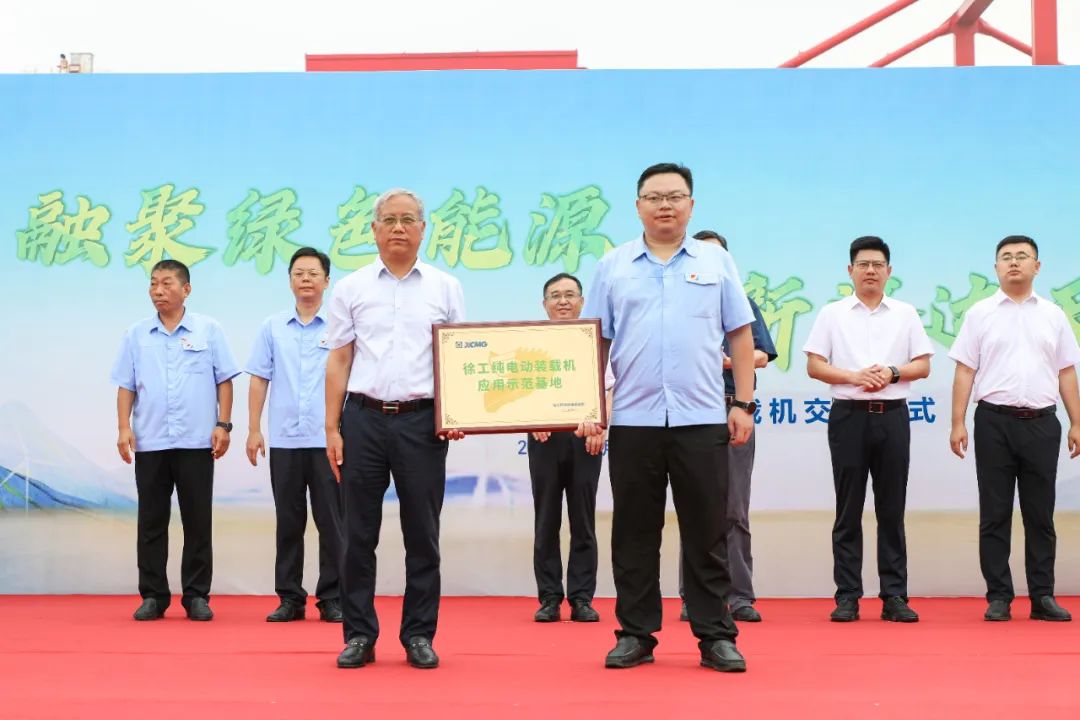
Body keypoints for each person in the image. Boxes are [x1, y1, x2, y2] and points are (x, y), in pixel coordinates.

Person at [583, 162, 756, 673]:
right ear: (638, 206)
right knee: (634, 532)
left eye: (675, 196)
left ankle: (715, 635)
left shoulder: (716, 261)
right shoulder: (613, 265)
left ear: (691, 205)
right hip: (633, 419)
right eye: (654, 197)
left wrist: (742, 404)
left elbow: (739, 333)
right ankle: (636, 634)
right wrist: (590, 406)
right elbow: (593, 341)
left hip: (700, 416)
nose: (665, 205)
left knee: (707, 531)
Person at [326, 188, 466, 670]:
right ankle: (359, 634)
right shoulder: (351, 287)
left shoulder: (445, 287)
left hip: (422, 423)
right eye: (389, 220)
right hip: (362, 420)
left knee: (423, 534)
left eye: (408, 219)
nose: (399, 228)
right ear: (374, 229)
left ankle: (419, 634)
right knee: (357, 535)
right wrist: (332, 427)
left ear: (423, 228)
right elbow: (339, 359)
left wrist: (455, 414)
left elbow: (457, 356)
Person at [949, 235, 1080, 622]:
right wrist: (957, 421)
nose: (1014, 262)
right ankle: (999, 596)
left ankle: (1042, 596)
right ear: (996, 268)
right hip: (993, 422)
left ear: (1037, 266)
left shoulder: (1053, 315)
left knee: (1040, 514)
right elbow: (965, 370)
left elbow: (1066, 372)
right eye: (1006, 257)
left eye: (1022, 256)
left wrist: (1077, 421)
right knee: (995, 513)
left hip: (1042, 423)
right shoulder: (980, 313)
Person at [803, 236, 932, 623]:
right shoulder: (832, 313)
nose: (870, 271)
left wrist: (892, 372)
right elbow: (814, 365)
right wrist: (854, 376)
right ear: (850, 271)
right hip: (849, 416)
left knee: (892, 509)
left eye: (877, 264)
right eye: (863, 264)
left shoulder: (905, 313)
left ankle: (894, 596)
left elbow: (923, 365)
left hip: (893, 416)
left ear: (889, 271)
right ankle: (847, 596)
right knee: (848, 509)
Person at [110, 259, 240, 621]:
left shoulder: (208, 330)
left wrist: (224, 424)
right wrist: (123, 428)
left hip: (196, 442)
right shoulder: (136, 334)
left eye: (167, 283)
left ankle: (196, 595)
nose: (158, 290)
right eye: (153, 283)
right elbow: (126, 385)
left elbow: (224, 380)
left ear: (186, 289)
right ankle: (153, 595)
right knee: (151, 522)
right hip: (151, 441)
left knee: (197, 521)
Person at [677, 231, 777, 624]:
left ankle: (739, 596)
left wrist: (727, 361)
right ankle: (694, 596)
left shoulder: (741, 302)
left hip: (731, 406)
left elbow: (761, 354)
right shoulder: (677, 303)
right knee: (694, 508)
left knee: (734, 508)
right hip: (689, 412)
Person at [245, 247, 343, 623]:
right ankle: (290, 598)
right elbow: (259, 378)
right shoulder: (272, 327)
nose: (305, 279)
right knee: (288, 522)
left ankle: (332, 597)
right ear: (289, 281)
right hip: (285, 440)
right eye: (298, 273)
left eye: (313, 273)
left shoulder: (340, 326)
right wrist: (254, 428)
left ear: (326, 281)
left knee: (332, 522)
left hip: (327, 440)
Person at [529, 272, 607, 624]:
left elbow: (609, 387)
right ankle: (549, 598)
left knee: (583, 520)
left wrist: (601, 425)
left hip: (585, 438)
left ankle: (581, 598)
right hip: (543, 438)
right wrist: (530, 417)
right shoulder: (528, 342)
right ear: (544, 304)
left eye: (570, 294)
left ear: (581, 301)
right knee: (546, 519)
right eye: (555, 295)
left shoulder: (595, 340)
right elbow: (517, 390)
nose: (563, 301)